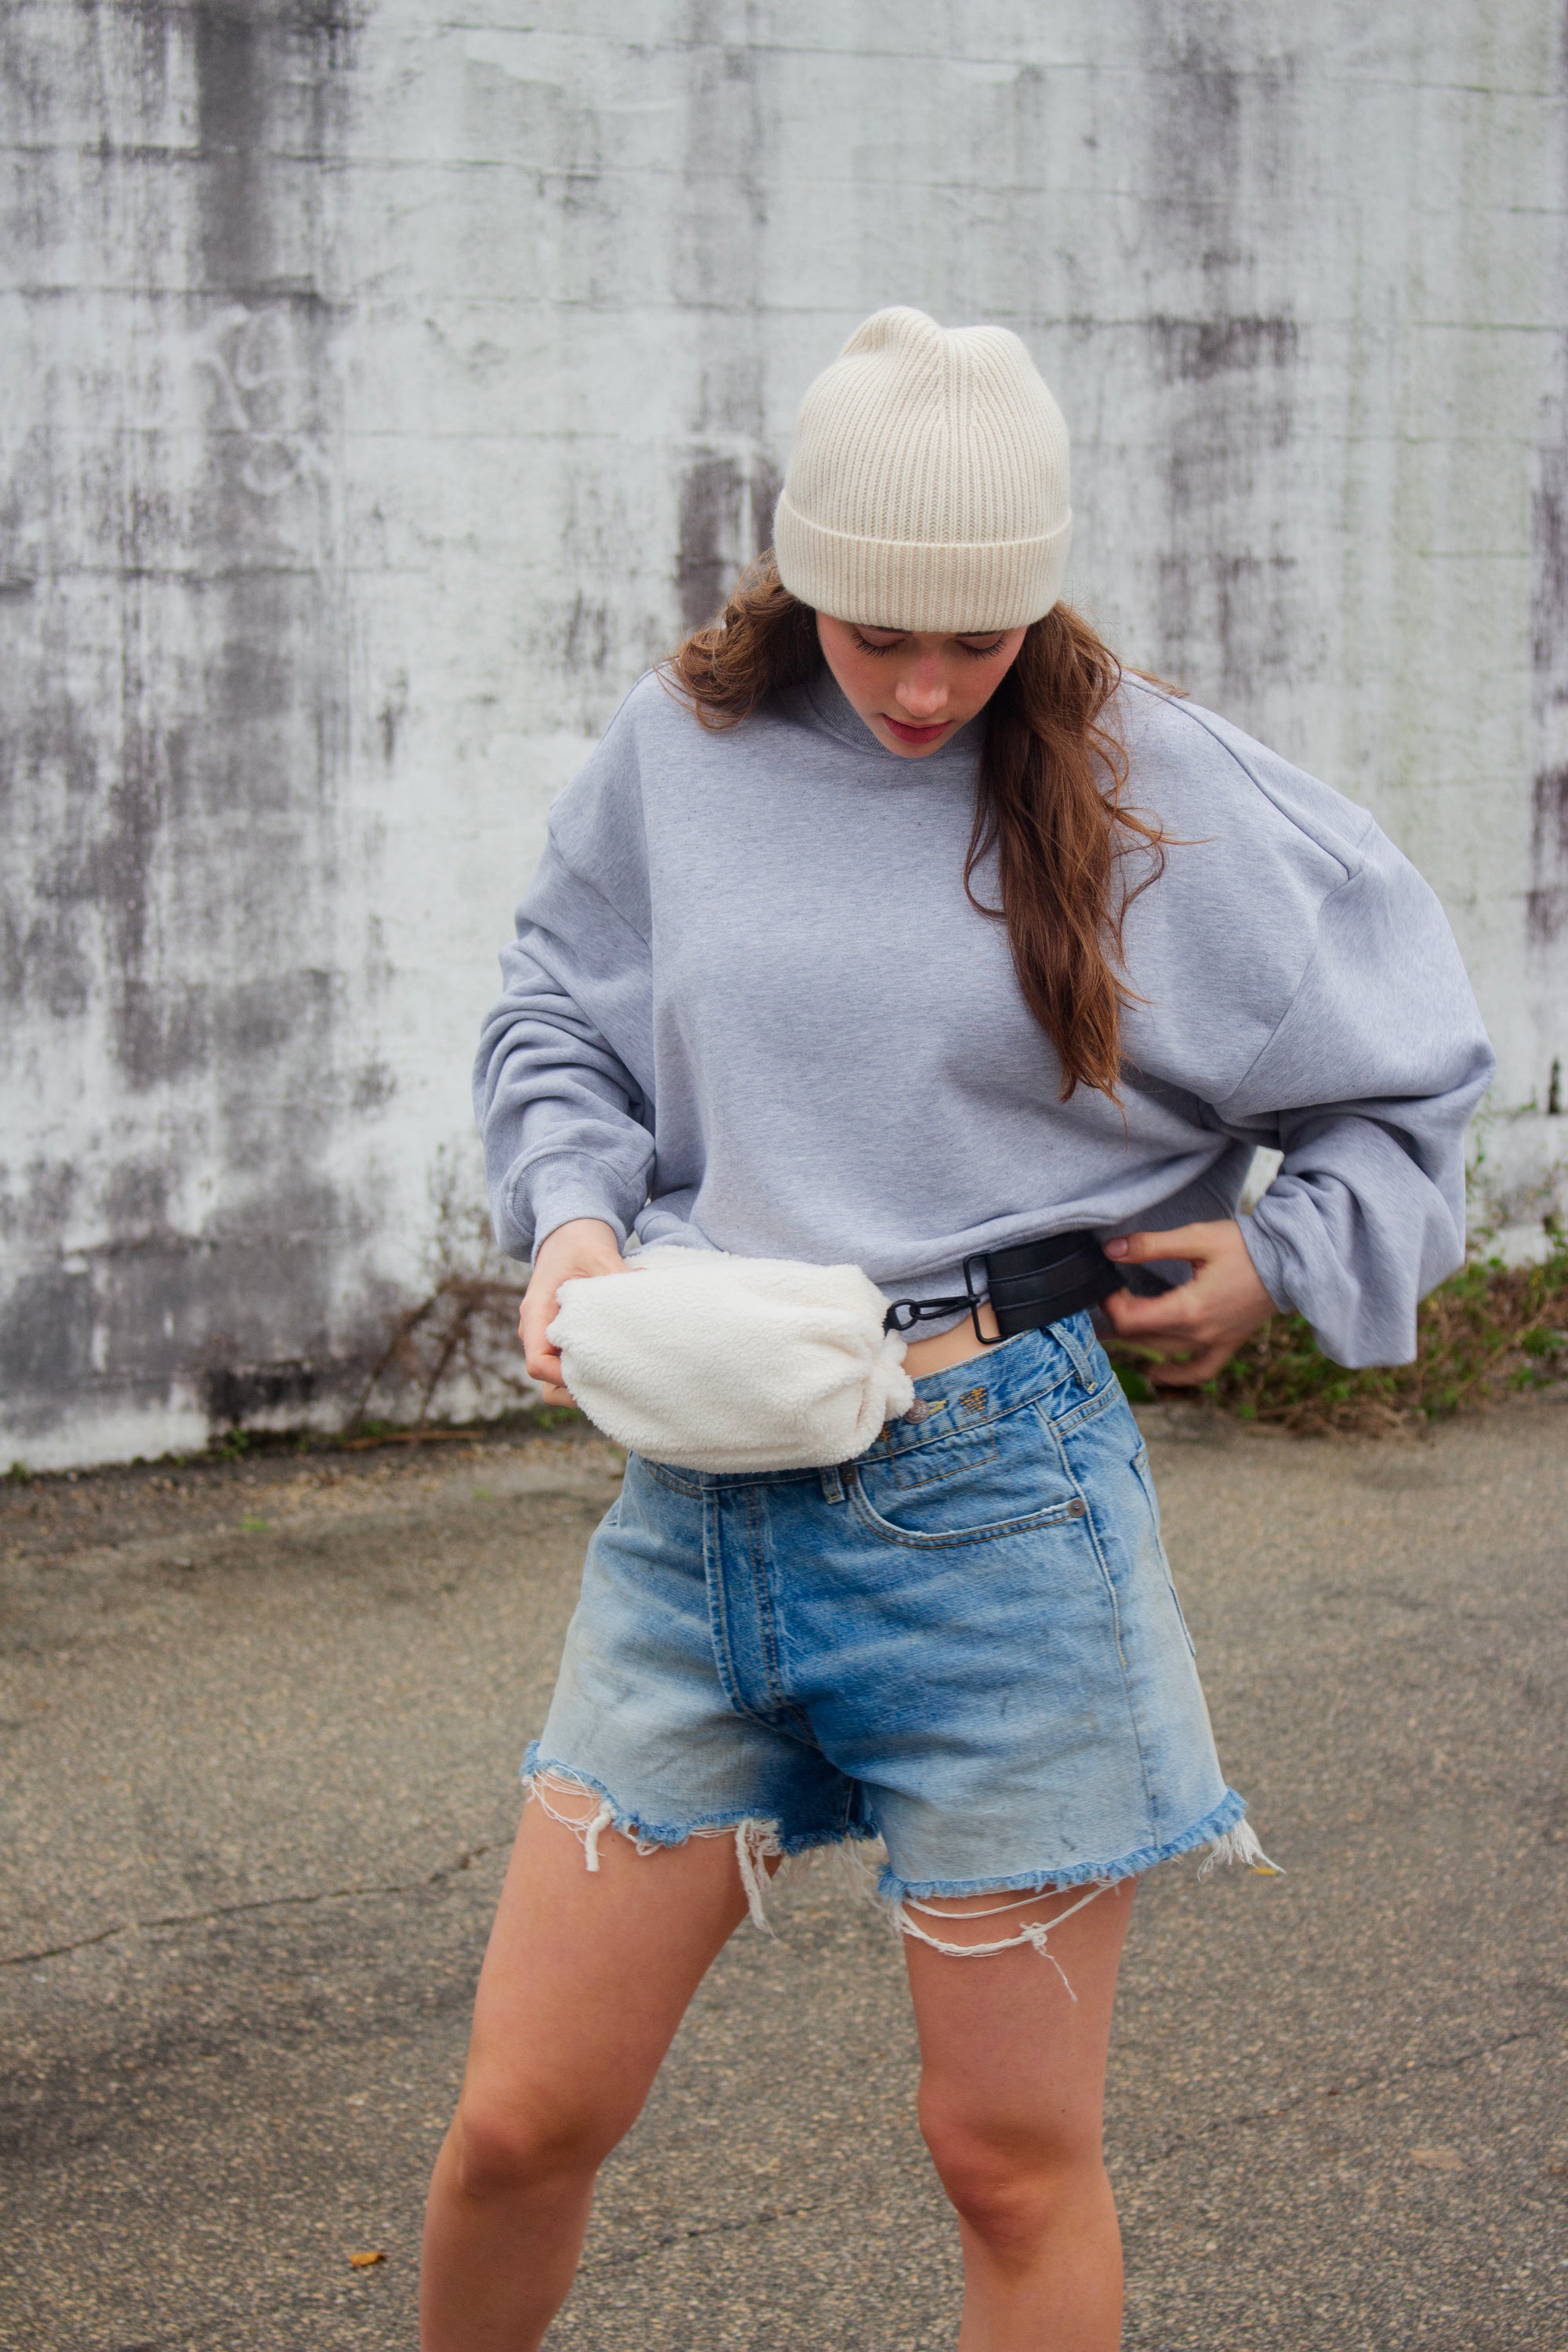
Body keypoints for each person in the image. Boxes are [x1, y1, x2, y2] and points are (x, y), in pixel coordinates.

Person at [422, 307, 1493, 2350]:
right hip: (697, 1514)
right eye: (878, 629)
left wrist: (1291, 1254)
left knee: (1006, 2160)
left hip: (1001, 1515)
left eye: (975, 638)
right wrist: (570, 1216)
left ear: (1038, 599)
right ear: (803, 576)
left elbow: (1400, 1064)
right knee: (520, 2120)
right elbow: (553, 1006)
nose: (924, 687)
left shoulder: (1143, 775)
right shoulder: (687, 749)